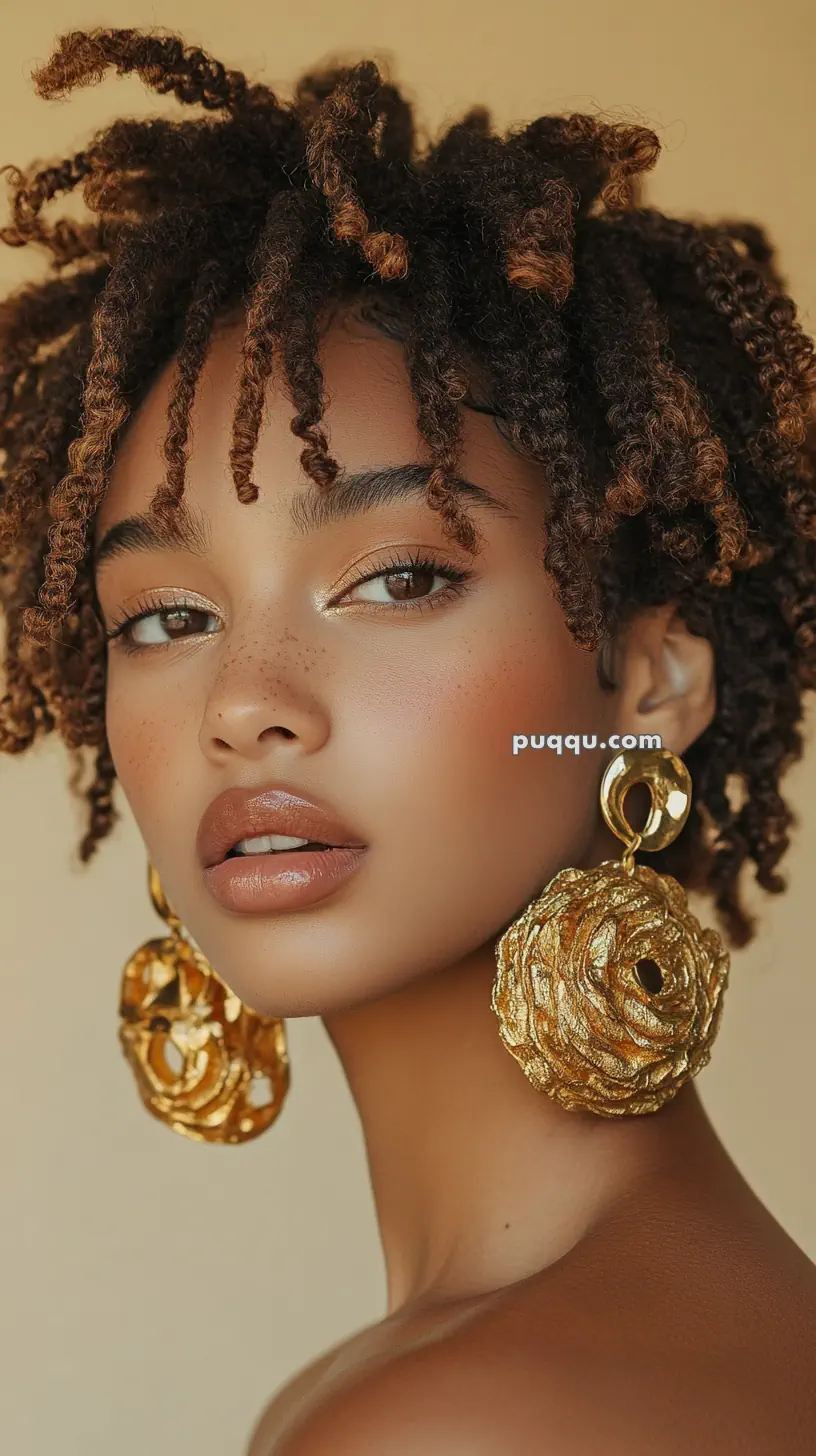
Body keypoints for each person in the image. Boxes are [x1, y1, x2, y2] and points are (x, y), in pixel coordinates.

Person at [1, 25, 815, 1456]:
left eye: (398, 580)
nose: (245, 702)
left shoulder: (461, 1419)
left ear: (649, 680)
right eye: (165, 616)